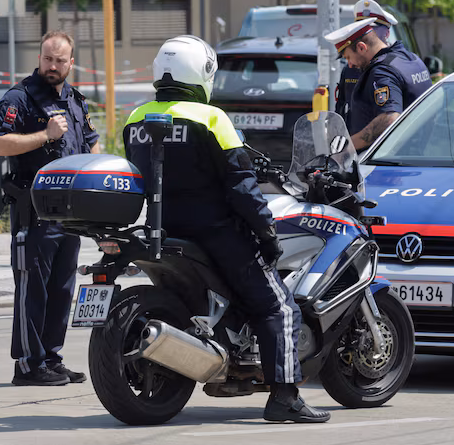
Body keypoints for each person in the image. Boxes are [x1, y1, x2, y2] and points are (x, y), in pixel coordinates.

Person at [123, 34, 330, 424]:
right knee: (279, 306)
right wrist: (266, 233)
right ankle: (284, 396)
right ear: (200, 74)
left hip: (164, 229)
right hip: (216, 233)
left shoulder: (136, 117)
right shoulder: (211, 118)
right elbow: (241, 187)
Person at [0, 31, 100, 387]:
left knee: (62, 288)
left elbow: (91, 146)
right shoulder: (19, 99)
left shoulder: (75, 100)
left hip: (71, 214)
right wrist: (44, 136)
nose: (53, 66)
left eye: (60, 60)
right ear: (40, 58)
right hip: (34, 211)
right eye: (47, 58)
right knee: (32, 288)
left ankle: (51, 358)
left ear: (71, 63)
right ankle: (27, 364)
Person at [325, 16, 433, 151]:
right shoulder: (411, 59)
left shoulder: (381, 72)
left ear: (361, 47)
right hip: (418, 151)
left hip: (389, 161)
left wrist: (345, 148)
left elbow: (389, 120)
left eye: (348, 57)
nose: (350, 64)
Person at [333, 0, 398, 122]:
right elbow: (342, 105)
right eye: (359, 28)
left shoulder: (394, 66)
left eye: (370, 29)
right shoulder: (350, 67)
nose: (364, 33)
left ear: (387, 34)